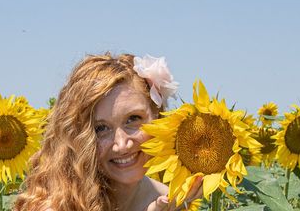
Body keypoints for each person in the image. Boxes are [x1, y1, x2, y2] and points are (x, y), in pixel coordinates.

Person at [14, 53, 201, 211]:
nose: (122, 144)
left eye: (133, 119)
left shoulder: (170, 199)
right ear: (78, 137)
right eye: (101, 128)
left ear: (157, 117)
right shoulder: (56, 204)